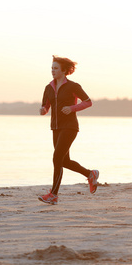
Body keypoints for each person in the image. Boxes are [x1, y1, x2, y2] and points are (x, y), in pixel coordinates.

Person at [38, 55, 99, 205]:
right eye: (51, 68)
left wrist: (72, 108)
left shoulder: (73, 86)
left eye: (56, 68)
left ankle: (53, 195)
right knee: (64, 161)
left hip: (70, 127)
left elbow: (88, 102)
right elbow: (46, 106)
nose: (53, 71)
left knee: (56, 158)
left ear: (64, 70)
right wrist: (43, 110)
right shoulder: (48, 88)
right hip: (55, 127)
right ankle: (90, 174)